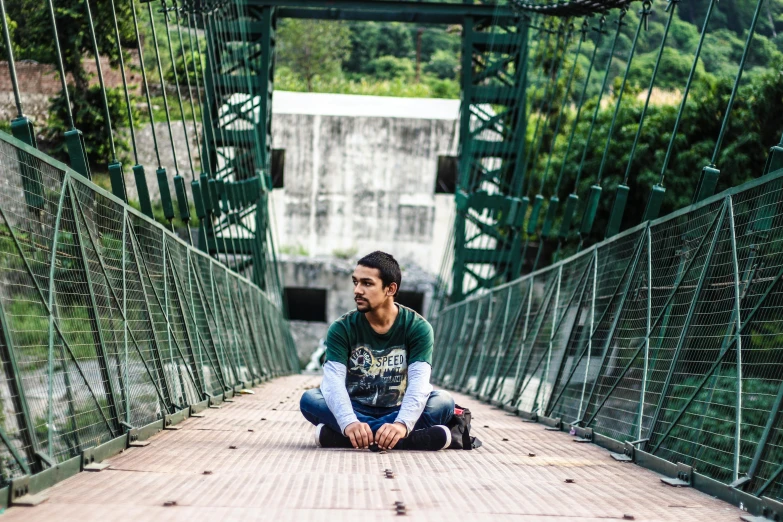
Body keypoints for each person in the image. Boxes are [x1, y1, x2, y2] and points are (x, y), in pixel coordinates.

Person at [299, 251, 454, 451]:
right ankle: (406, 440)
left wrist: (401, 424)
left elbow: (419, 384)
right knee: (309, 399)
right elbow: (332, 383)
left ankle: (347, 438)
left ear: (390, 289)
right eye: (355, 282)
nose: (357, 290)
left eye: (367, 283)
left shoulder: (418, 327)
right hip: (355, 408)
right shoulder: (342, 328)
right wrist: (349, 422)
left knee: (443, 402)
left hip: (398, 408)